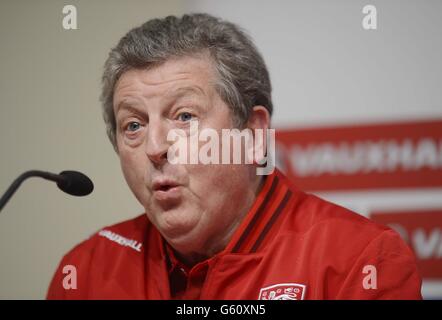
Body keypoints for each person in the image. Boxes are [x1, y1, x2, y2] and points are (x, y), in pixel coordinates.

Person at [47, 13, 422, 300]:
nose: (154, 147)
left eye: (184, 117)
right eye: (133, 125)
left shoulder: (363, 260)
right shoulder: (86, 270)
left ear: (254, 133)